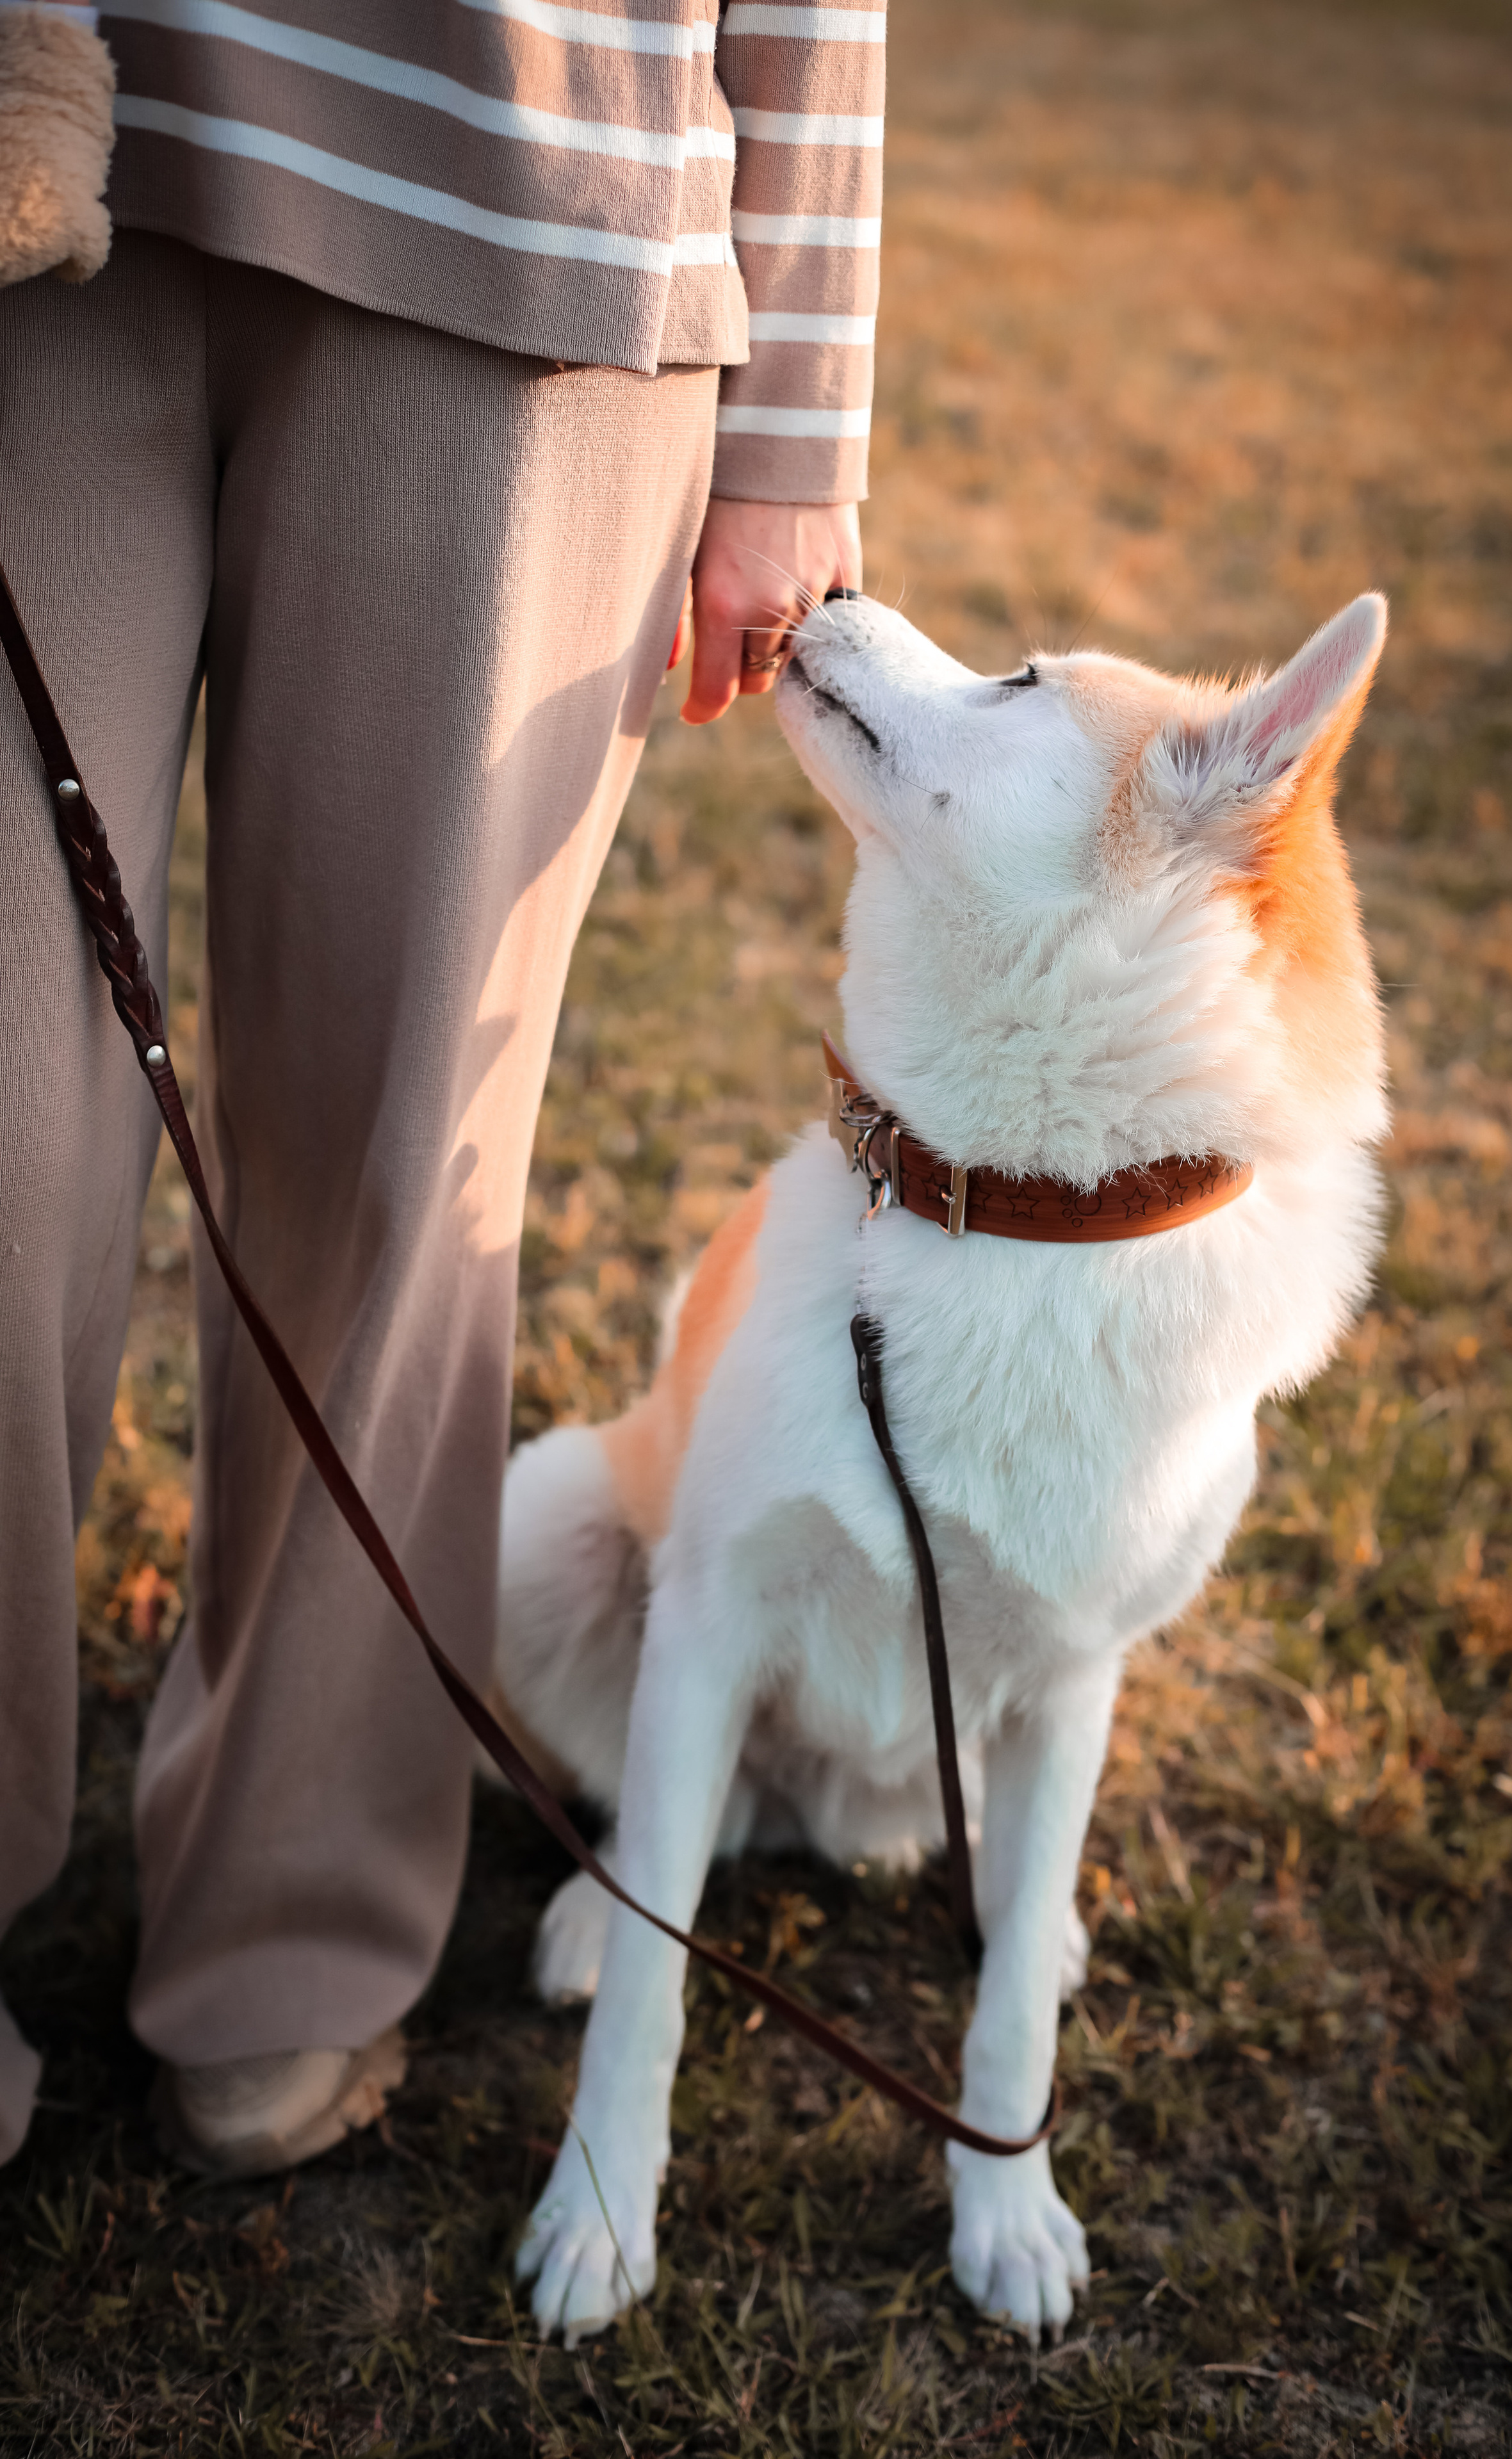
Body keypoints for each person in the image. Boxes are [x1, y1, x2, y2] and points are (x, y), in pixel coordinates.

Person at [0, 0, 881, 2174]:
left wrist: (799, 426)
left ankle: (288, 1927)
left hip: (539, 215)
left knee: (394, 1149)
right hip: (49, 164)